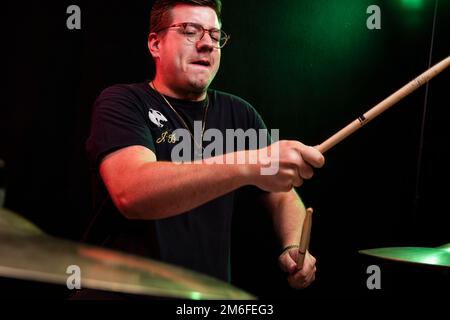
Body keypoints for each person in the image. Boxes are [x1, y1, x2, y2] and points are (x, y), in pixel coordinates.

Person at [84, 0, 324, 295]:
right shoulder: (123, 102)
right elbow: (131, 192)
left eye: (214, 34)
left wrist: (292, 245)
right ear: (155, 44)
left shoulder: (240, 114)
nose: (207, 44)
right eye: (189, 31)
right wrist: (249, 163)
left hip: (201, 299)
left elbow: (283, 196)